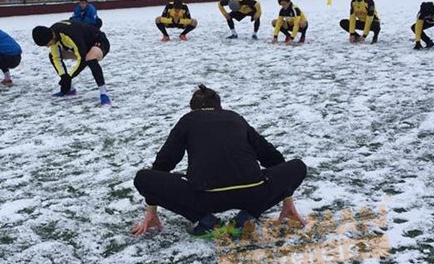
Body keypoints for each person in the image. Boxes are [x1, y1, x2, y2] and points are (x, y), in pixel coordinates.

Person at [131, 84, 307, 237]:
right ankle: (247, 217)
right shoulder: (235, 118)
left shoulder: (188, 120)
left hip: (205, 197)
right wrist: (286, 194)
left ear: (192, 109)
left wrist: (152, 204)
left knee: (143, 178)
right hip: (252, 193)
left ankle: (207, 221)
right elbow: (270, 156)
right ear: (219, 107)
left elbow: (165, 162)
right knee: (298, 166)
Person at [32, 20, 112, 106]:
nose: (47, 46)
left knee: (89, 58)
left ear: (52, 37)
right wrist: (64, 77)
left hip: (99, 42)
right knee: (52, 55)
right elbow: (56, 57)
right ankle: (70, 89)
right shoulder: (53, 33)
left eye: (47, 44)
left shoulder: (69, 35)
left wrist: (69, 77)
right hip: (82, 48)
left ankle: (103, 92)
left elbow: (82, 59)